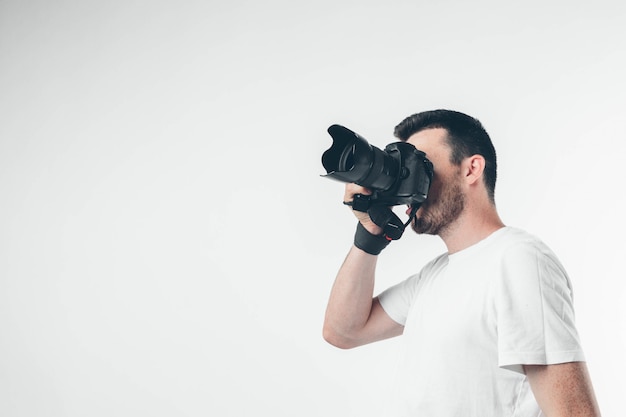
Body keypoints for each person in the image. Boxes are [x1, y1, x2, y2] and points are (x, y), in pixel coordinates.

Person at [322, 110, 601, 416]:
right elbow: (343, 331)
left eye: (422, 165)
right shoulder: (434, 276)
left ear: (472, 169)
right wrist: (369, 235)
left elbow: (575, 413)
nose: (411, 186)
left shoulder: (518, 259)